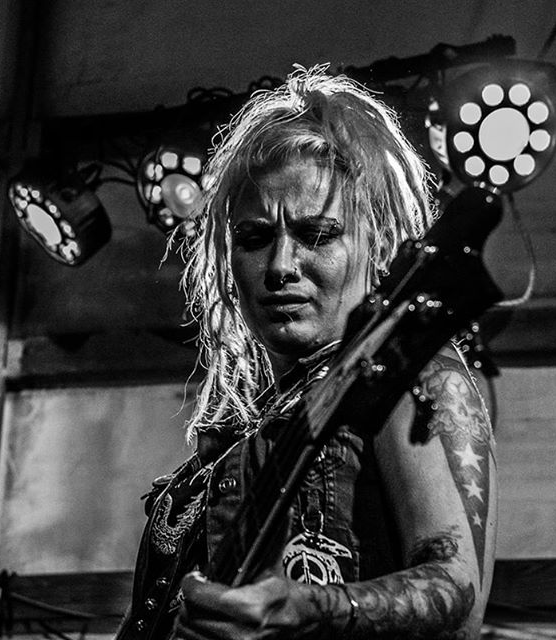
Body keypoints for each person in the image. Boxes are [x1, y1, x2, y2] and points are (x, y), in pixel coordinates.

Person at [117, 66, 497, 640]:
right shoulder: (245, 428)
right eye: (254, 238)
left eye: (317, 234)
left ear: (379, 242)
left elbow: (458, 596)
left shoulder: (409, 374)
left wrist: (311, 608)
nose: (279, 267)